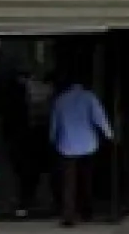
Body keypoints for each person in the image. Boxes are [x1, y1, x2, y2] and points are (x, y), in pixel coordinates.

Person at [48, 73, 116, 224]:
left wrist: (52, 140)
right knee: (86, 180)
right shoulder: (89, 97)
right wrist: (110, 135)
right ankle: (87, 211)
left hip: (67, 146)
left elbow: (54, 126)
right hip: (88, 145)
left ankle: (68, 215)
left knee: (69, 183)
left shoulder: (60, 100)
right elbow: (100, 118)